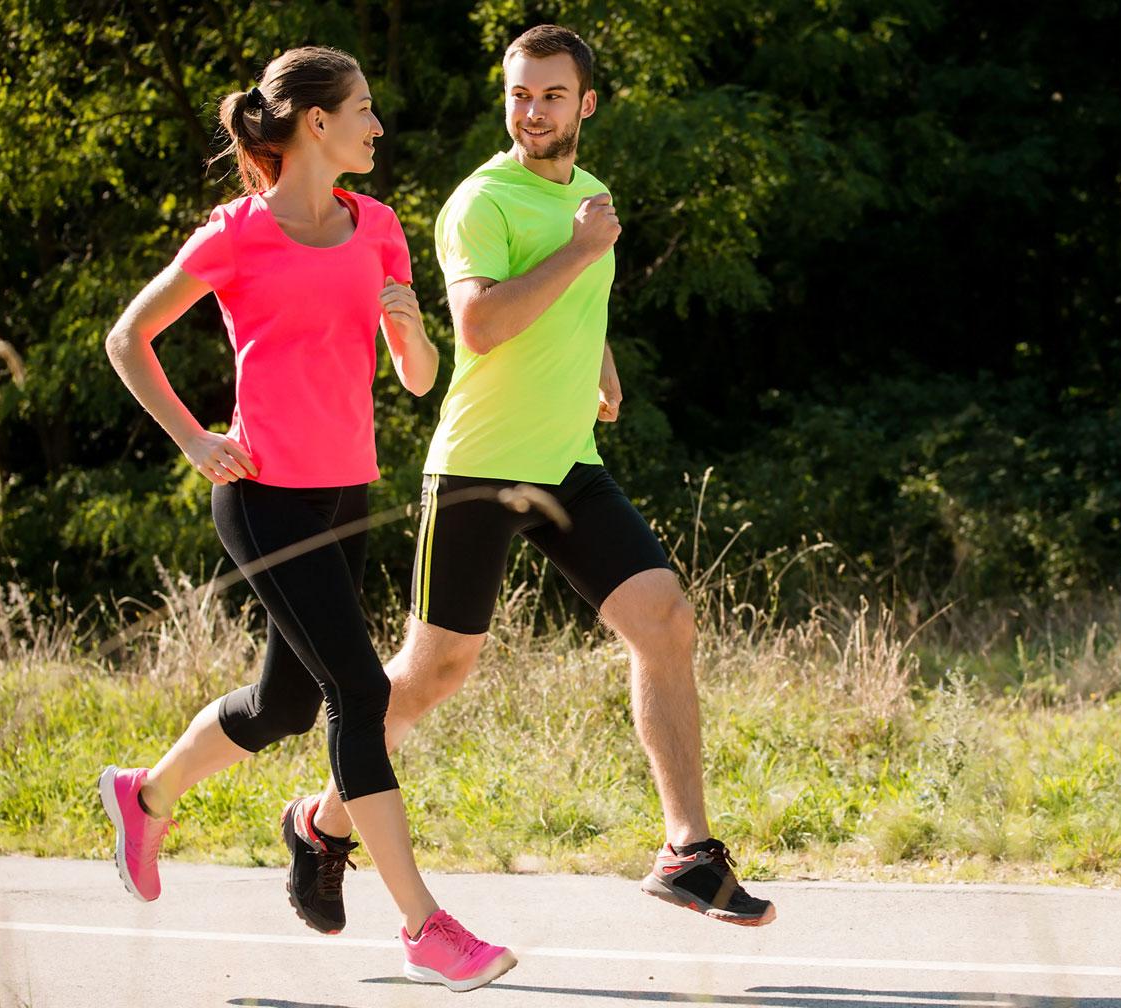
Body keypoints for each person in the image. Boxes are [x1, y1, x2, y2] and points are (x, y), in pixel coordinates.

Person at [276, 24, 776, 933]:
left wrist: (601, 359)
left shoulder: (589, 196)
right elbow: (479, 325)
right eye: (517, 95)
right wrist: (584, 253)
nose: (532, 111)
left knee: (664, 616)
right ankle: (320, 823)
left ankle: (688, 851)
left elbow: (571, 301)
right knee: (433, 676)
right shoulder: (482, 201)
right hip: (478, 467)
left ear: (586, 103)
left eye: (550, 95)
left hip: (566, 463)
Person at [97, 45, 518, 991]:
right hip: (261, 495)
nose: (377, 125)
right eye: (363, 108)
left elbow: (415, 380)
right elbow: (128, 337)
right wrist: (196, 439)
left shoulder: (378, 227)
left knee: (286, 704)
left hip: (345, 491)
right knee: (361, 693)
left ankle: (145, 793)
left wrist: (409, 328)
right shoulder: (235, 235)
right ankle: (423, 925)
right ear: (315, 122)